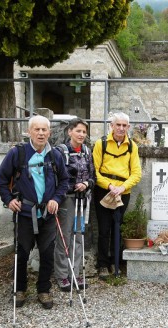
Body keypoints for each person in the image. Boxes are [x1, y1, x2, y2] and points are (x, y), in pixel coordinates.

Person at [0, 115, 69, 309]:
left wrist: (56, 199)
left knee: (47, 254)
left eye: (44, 130)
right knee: (22, 253)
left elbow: (64, 181)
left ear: (49, 133)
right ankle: (20, 289)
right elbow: (1, 179)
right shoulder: (17, 153)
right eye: (37, 129)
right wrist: (8, 200)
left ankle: (43, 290)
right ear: (29, 132)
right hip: (25, 213)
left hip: (48, 214)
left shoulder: (55, 155)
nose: (41, 133)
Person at [93, 112, 142, 279]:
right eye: (118, 125)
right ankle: (103, 264)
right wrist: (109, 186)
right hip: (103, 190)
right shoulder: (102, 143)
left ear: (128, 127)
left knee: (117, 226)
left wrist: (122, 188)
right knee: (104, 228)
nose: (121, 128)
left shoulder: (132, 146)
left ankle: (116, 262)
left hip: (123, 192)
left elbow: (136, 173)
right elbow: (95, 171)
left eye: (124, 125)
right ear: (112, 126)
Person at [53, 118, 95, 291]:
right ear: (69, 132)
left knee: (79, 236)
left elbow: (93, 177)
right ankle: (62, 275)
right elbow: (56, 178)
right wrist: (72, 186)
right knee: (64, 237)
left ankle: (75, 273)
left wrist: (86, 184)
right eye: (78, 131)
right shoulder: (60, 152)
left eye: (84, 132)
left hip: (82, 200)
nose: (81, 134)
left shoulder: (87, 151)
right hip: (67, 200)